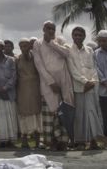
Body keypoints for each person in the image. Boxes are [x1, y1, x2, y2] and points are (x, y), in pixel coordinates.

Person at [32, 21, 74, 150]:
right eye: (48, 28)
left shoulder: (60, 40)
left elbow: (66, 54)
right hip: (47, 85)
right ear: (43, 29)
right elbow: (39, 65)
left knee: (63, 113)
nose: (51, 31)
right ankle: (51, 142)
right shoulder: (37, 43)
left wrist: (51, 43)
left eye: (53, 29)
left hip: (63, 83)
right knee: (49, 114)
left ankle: (63, 142)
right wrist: (50, 82)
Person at [66, 27, 103, 150]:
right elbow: (73, 70)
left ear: (84, 36)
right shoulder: (68, 50)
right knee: (79, 115)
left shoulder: (89, 50)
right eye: (75, 35)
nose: (77, 37)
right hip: (78, 87)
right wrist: (84, 82)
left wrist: (91, 82)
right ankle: (80, 141)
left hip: (91, 86)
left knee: (92, 113)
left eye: (80, 35)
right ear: (72, 36)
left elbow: (93, 68)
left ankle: (93, 140)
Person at [16, 38, 43, 149]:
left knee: (37, 114)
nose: (23, 48)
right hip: (22, 91)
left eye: (25, 46)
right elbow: (16, 76)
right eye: (21, 46)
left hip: (35, 90)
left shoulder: (37, 58)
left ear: (30, 46)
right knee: (24, 115)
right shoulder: (17, 59)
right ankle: (24, 141)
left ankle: (37, 141)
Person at [0, 40, 18, 148]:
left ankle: (11, 140)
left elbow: (14, 76)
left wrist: (6, 88)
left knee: (11, 116)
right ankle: (2, 140)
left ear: (3, 48)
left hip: (9, 93)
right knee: (0, 117)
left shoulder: (11, 60)